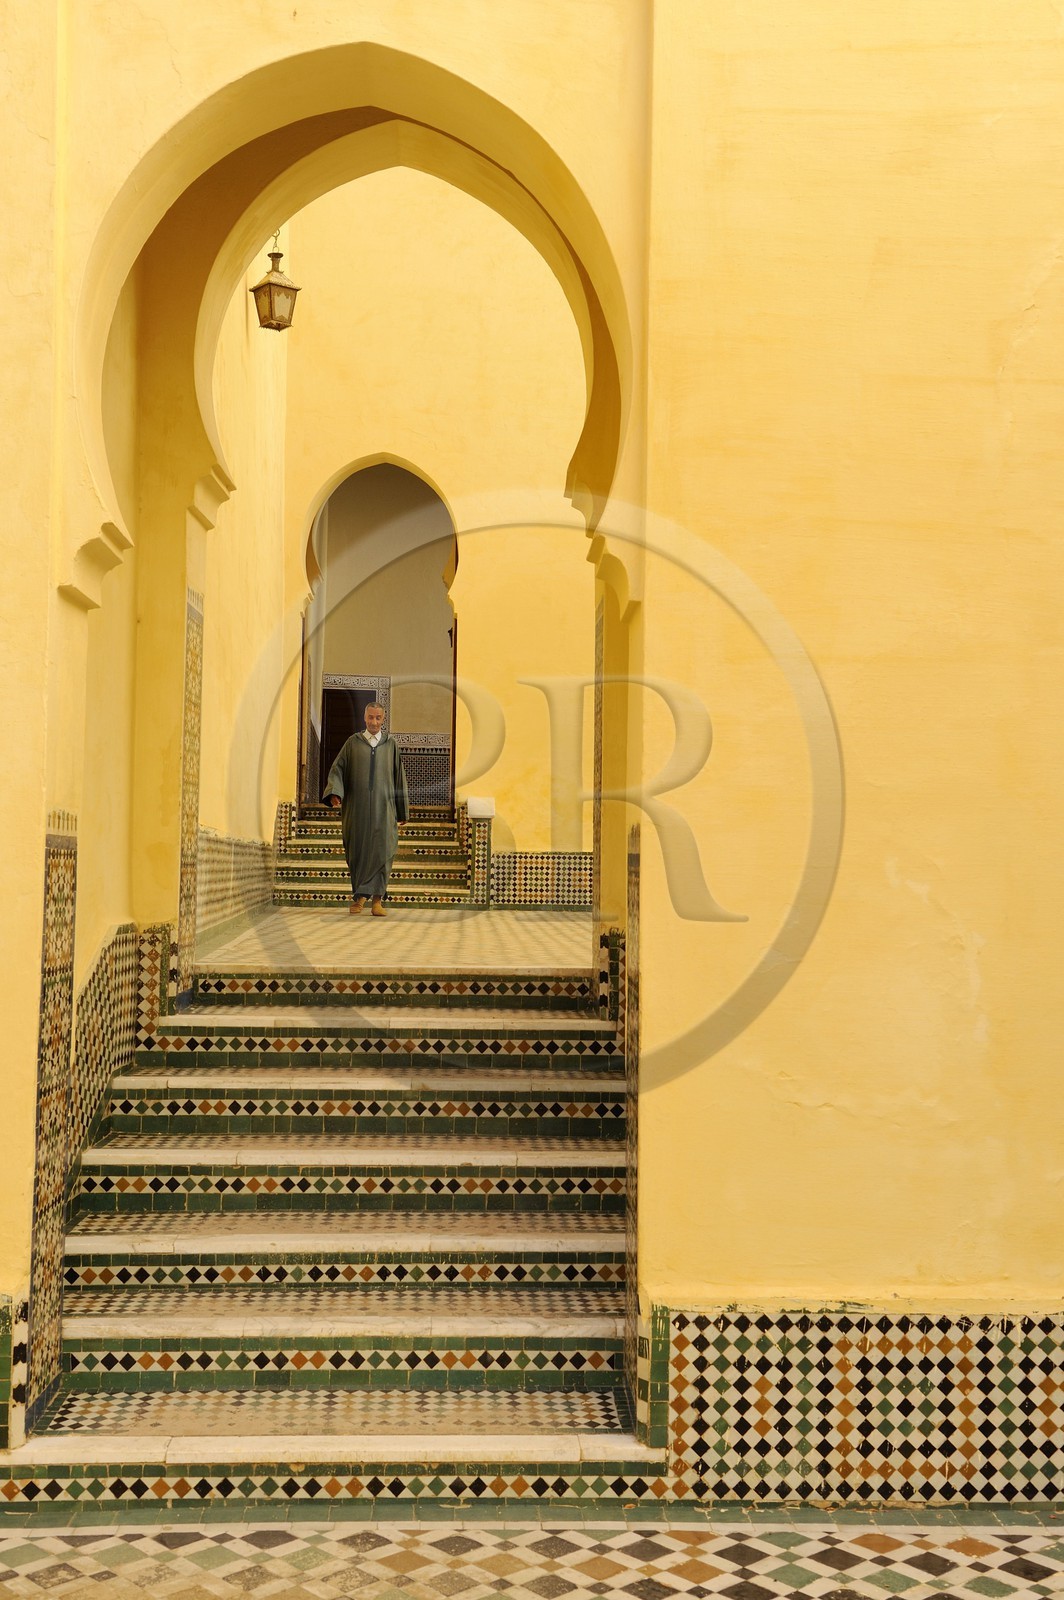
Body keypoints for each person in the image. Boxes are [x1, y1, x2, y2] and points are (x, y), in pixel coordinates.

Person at [323, 702, 410, 916]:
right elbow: (338, 769)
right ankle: (360, 897)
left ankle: (377, 901)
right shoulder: (352, 743)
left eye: (378, 718)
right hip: (357, 808)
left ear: (383, 719)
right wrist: (335, 792)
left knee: (384, 850)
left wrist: (402, 810)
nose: (374, 722)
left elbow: (399, 777)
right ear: (365, 718)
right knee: (359, 851)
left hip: (385, 809)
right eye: (370, 717)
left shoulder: (391, 744)